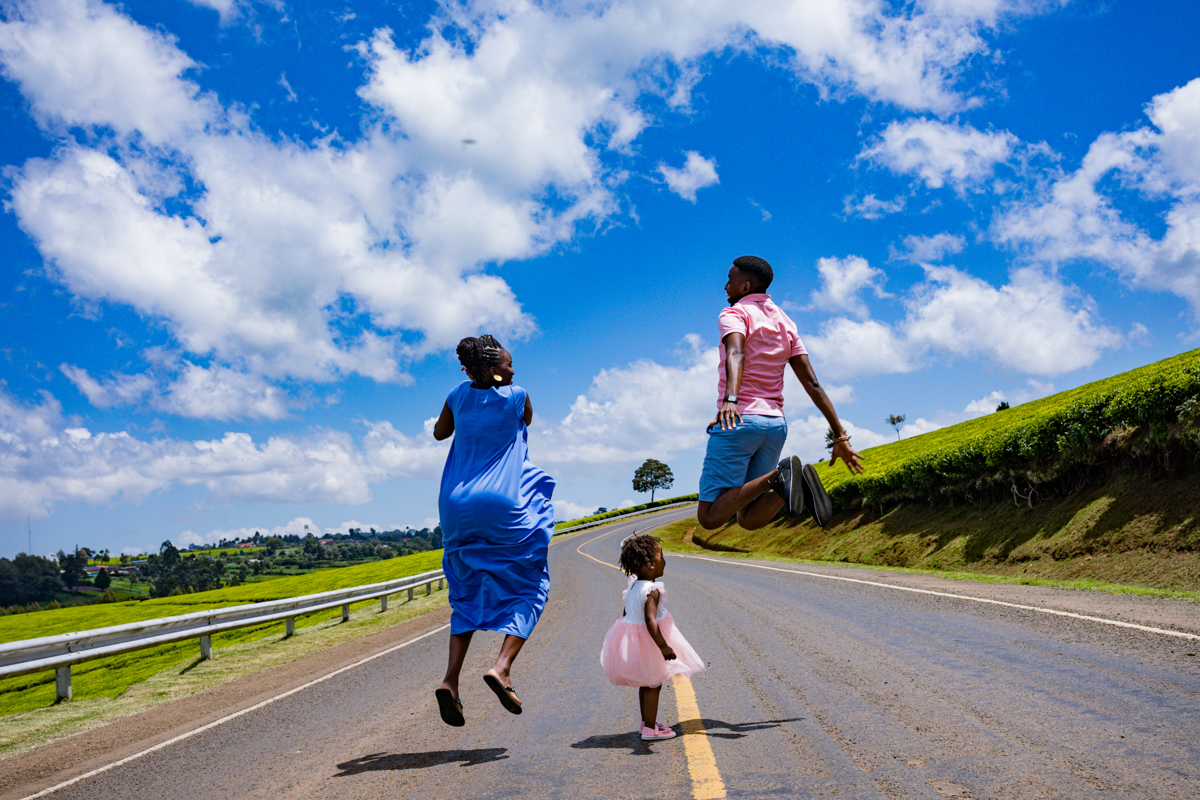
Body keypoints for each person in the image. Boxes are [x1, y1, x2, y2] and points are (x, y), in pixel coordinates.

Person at [431, 334, 556, 727]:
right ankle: (501, 668)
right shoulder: (517, 396)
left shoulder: (455, 395)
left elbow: (439, 433)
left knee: (465, 594)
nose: (513, 369)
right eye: (507, 363)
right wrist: (499, 388)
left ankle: (451, 682)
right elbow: (527, 420)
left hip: (455, 506)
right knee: (530, 587)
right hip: (503, 504)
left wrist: (467, 395)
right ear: (494, 370)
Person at [697, 255, 864, 532]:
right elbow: (813, 384)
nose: (725, 287)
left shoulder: (734, 313)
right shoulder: (786, 323)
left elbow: (736, 352)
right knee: (748, 519)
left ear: (745, 286)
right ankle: (789, 482)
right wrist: (840, 435)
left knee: (710, 517)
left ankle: (779, 476)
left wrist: (730, 399)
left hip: (738, 420)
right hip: (774, 426)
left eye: (730, 281)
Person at [600, 533, 705, 742]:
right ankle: (650, 729)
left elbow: (626, 615)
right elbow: (650, 620)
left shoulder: (632, 587)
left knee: (646, 682)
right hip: (649, 641)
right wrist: (664, 646)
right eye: (661, 556)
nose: (664, 561)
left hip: (635, 640)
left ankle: (645, 723)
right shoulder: (652, 590)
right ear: (650, 564)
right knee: (654, 684)